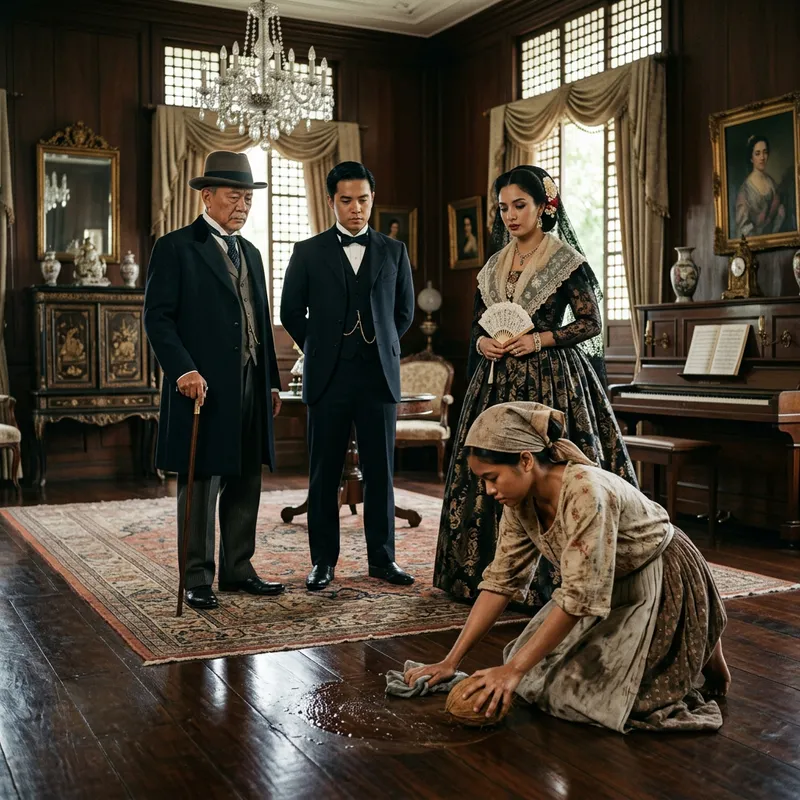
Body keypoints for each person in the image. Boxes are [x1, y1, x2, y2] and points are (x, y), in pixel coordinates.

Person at [408, 401, 730, 733]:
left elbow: (578, 596)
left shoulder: (585, 492)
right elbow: (501, 582)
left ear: (525, 460)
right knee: (537, 678)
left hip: (660, 573)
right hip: (606, 583)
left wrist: (513, 671)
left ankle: (705, 645)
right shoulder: (519, 504)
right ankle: (698, 645)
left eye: (492, 478)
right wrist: (451, 660)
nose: (490, 491)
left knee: (607, 700)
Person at [435, 165, 636, 609]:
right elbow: (475, 326)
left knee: (546, 467)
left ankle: (555, 581)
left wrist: (540, 338)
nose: (510, 215)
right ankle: (485, 577)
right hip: (496, 385)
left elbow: (590, 322)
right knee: (492, 474)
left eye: (519, 205)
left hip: (551, 381)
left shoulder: (564, 260)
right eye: (503, 207)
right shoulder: (492, 267)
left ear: (545, 205)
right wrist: (485, 341)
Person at [144, 150, 284, 611]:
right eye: (234, 196)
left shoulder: (253, 254)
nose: (243, 205)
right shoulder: (176, 247)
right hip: (200, 386)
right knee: (201, 479)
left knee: (245, 475)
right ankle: (197, 577)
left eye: (248, 198)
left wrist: (272, 382)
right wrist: (183, 369)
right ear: (207, 196)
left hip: (249, 380)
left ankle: (238, 569)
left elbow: (259, 322)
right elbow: (158, 319)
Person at [280, 161, 416, 591]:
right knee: (324, 473)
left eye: (362, 199)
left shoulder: (394, 252)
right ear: (331, 202)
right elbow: (289, 312)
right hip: (328, 378)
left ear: (372, 199)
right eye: (346, 200)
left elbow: (404, 313)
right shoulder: (307, 252)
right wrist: (321, 346)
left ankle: (383, 559)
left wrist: (381, 341)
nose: (355, 208)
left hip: (379, 377)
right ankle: (323, 562)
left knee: (381, 472)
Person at [735, 134, 786, 237]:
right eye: (757, 154)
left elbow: (779, 212)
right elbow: (742, 227)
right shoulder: (745, 191)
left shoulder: (771, 183)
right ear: (751, 158)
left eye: (765, 152)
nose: (762, 157)